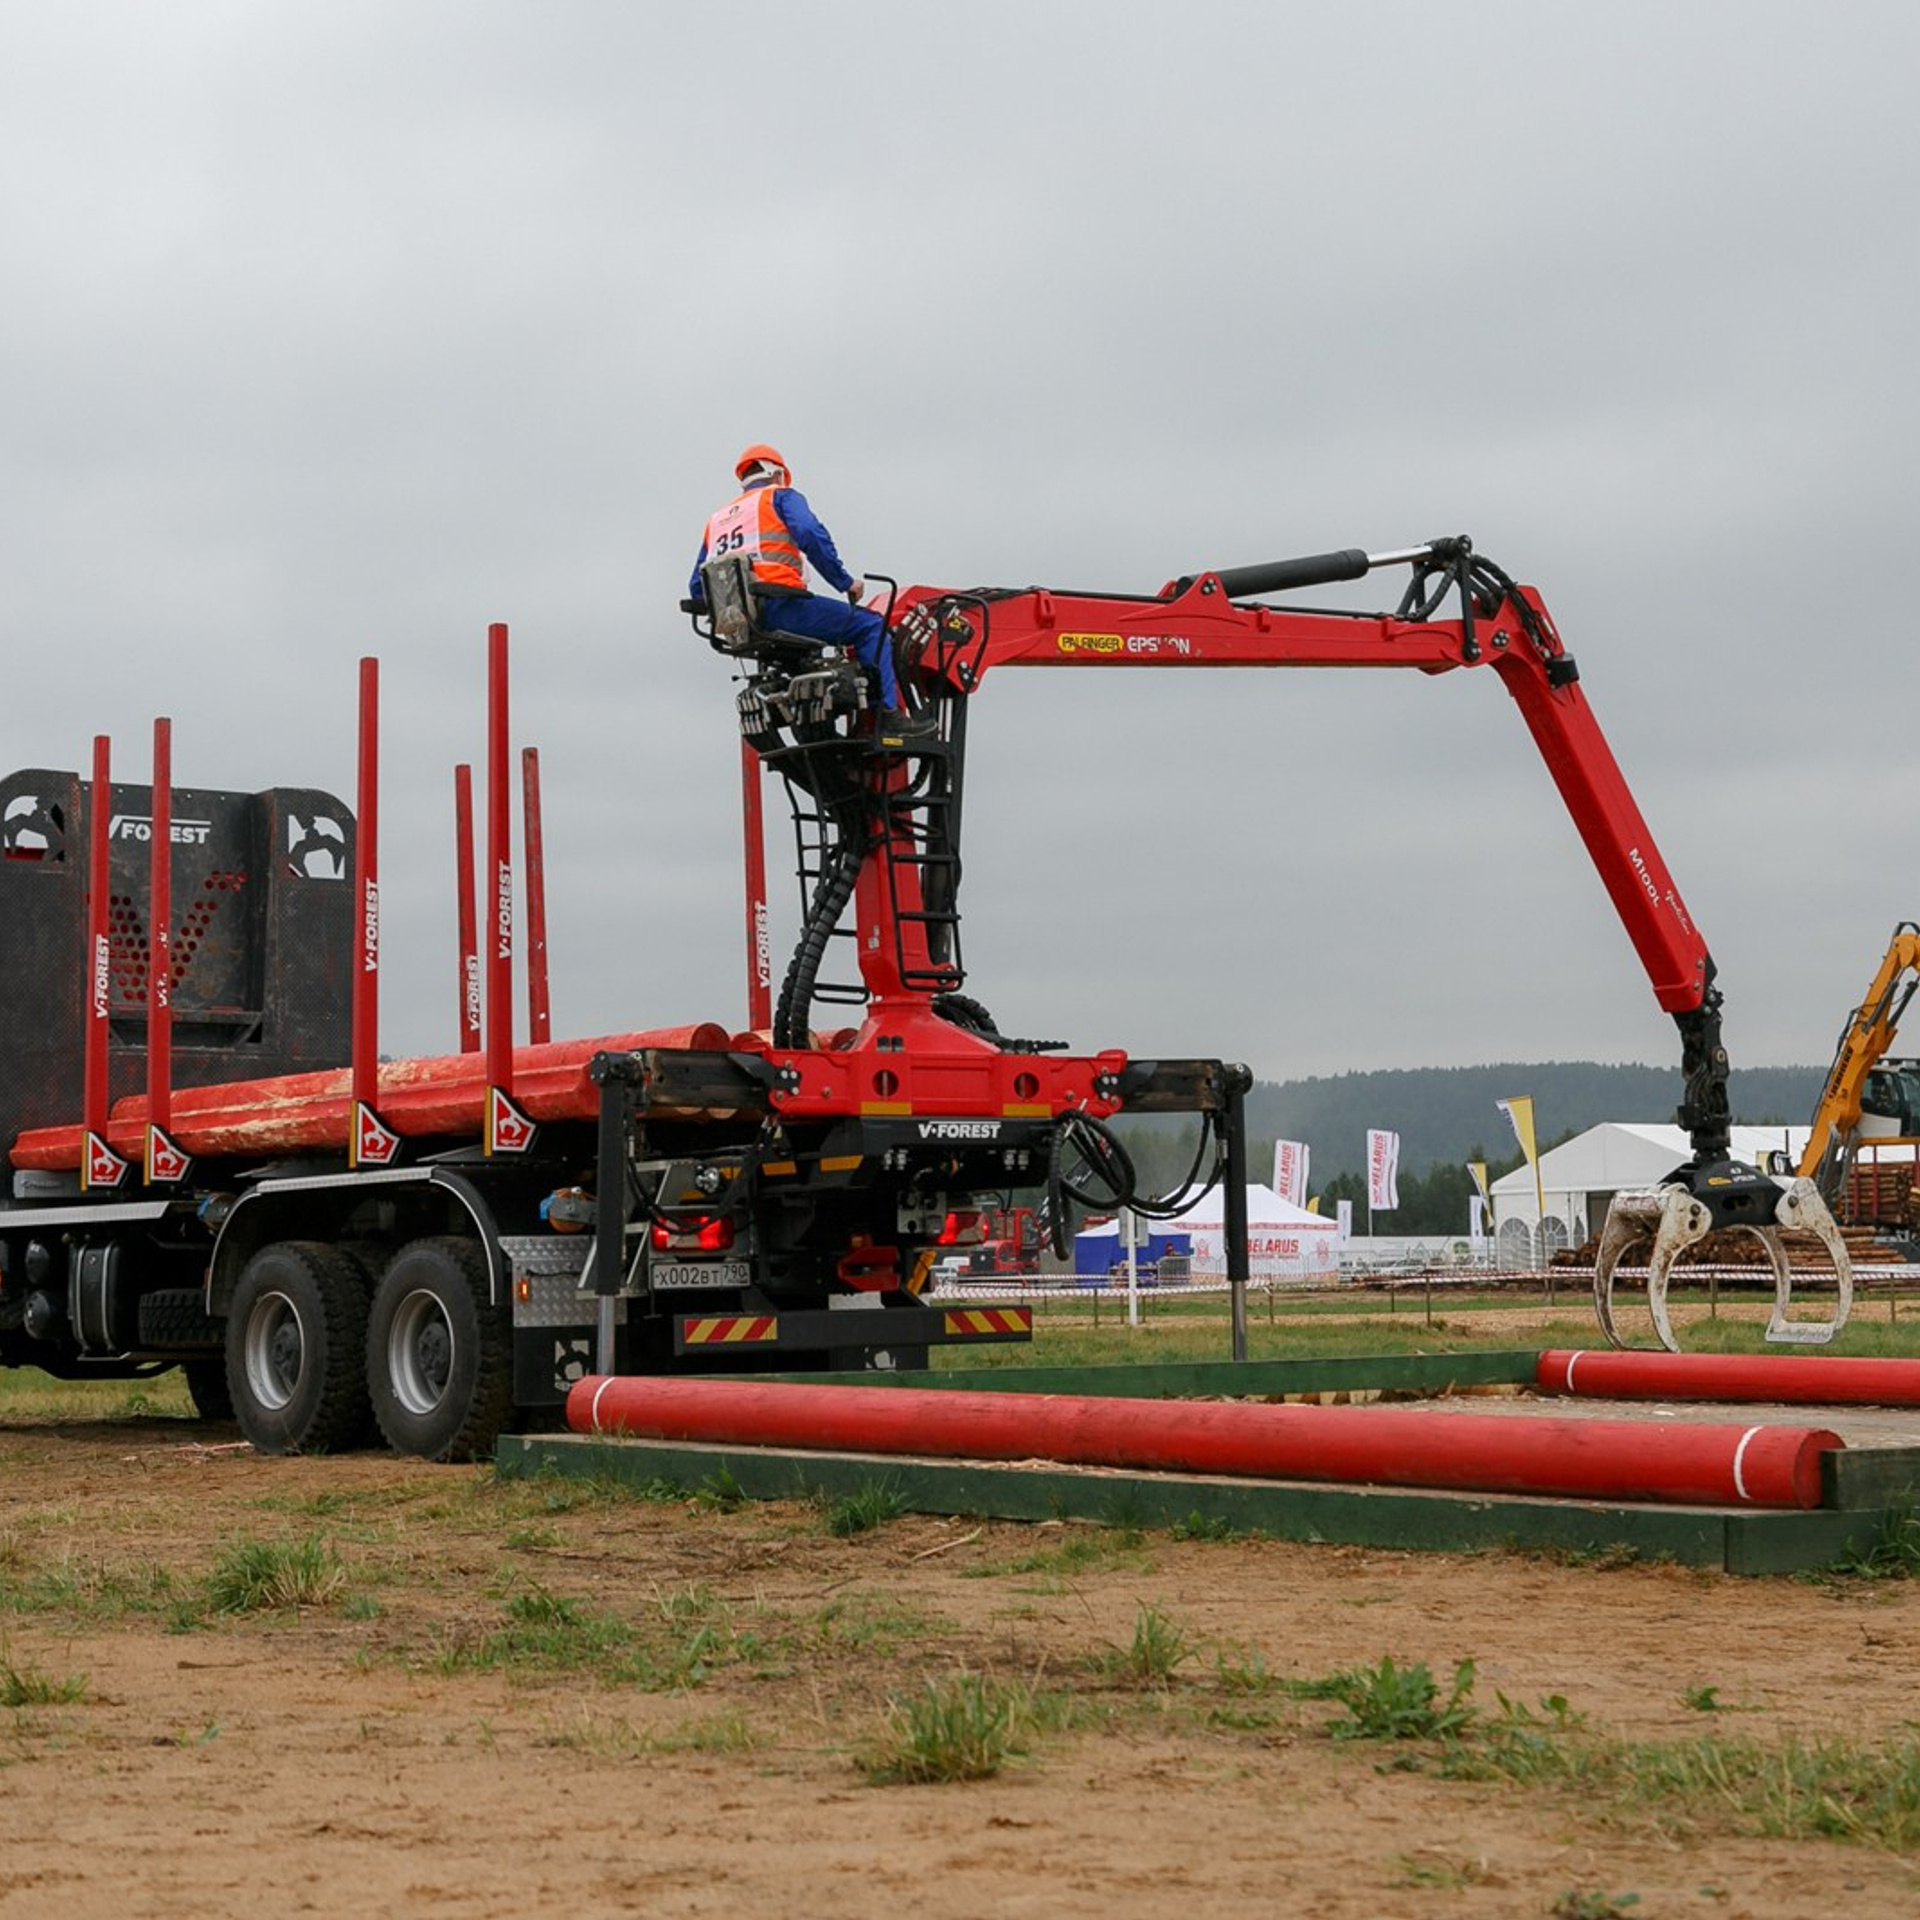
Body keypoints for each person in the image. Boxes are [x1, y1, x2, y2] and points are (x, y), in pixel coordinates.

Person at [689, 444, 928, 727]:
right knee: (871, 626)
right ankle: (888, 715)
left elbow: (697, 586)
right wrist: (845, 582)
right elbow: (810, 533)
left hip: (741, 623)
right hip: (781, 606)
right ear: (778, 473)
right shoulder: (780, 497)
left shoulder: (716, 521)